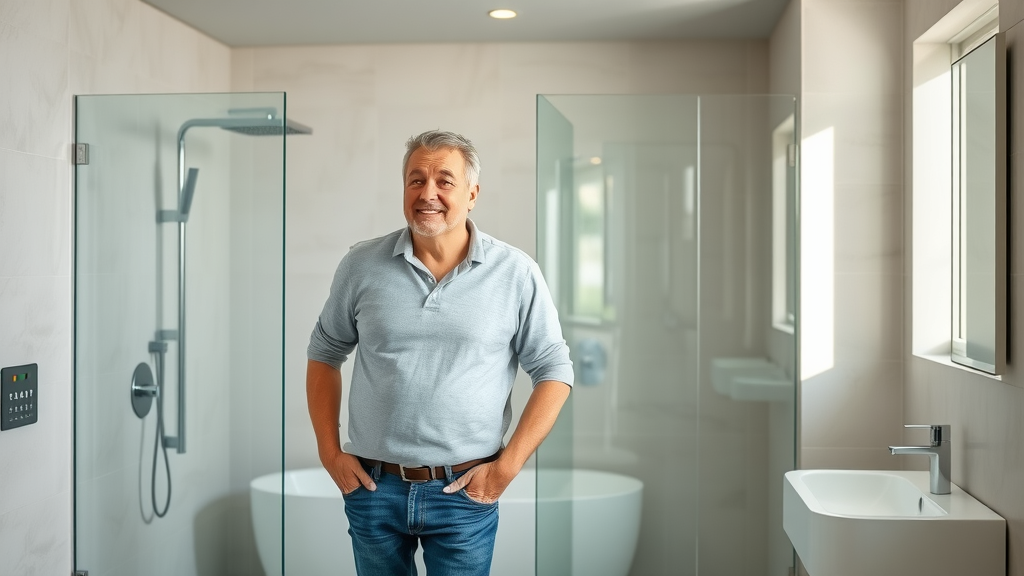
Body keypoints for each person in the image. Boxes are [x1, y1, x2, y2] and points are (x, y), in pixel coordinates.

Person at [306, 129, 574, 576]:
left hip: (464, 491)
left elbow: (554, 371)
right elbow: (324, 353)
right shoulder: (361, 264)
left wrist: (506, 467)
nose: (427, 193)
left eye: (444, 181)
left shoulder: (515, 272)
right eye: (416, 180)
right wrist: (329, 452)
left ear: (472, 194)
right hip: (374, 488)